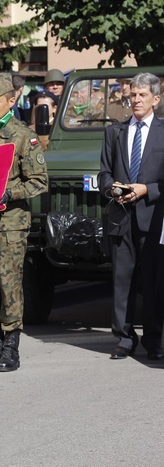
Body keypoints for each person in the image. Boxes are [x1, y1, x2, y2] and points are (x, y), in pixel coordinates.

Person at [0, 73, 48, 373]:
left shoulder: (22, 136)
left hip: (11, 221)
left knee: (9, 282)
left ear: (12, 101)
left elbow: (39, 181)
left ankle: (11, 346)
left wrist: (9, 192)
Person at [98, 72, 164, 361]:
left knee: (153, 283)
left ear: (156, 99)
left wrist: (145, 189)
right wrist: (111, 188)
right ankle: (124, 338)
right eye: (133, 95)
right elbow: (103, 173)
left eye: (142, 95)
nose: (136, 100)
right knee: (121, 281)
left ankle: (153, 339)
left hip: (153, 219)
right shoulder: (115, 132)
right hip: (121, 217)